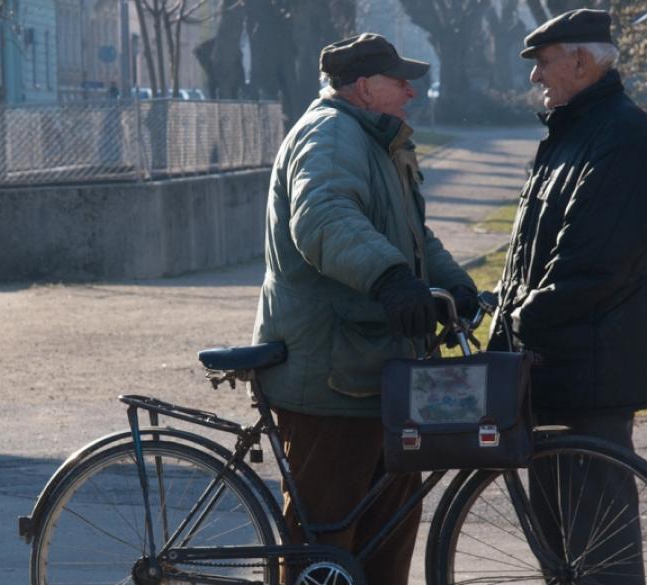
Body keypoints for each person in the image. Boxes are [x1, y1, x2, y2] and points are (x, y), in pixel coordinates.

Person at [251, 33, 477, 585]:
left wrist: (453, 285)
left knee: (386, 535)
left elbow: (410, 234)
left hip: (375, 371)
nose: (411, 91)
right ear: (362, 86)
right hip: (329, 378)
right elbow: (324, 218)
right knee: (324, 547)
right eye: (400, 80)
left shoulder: (376, 140)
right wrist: (392, 280)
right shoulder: (330, 136)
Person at [490, 9, 647, 582]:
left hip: (591, 377)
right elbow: (532, 253)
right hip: (553, 371)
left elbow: (592, 265)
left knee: (598, 554)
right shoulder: (571, 132)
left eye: (543, 63)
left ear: (582, 63)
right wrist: (499, 307)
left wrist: (518, 317)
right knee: (561, 555)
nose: (536, 78)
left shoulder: (621, 133)